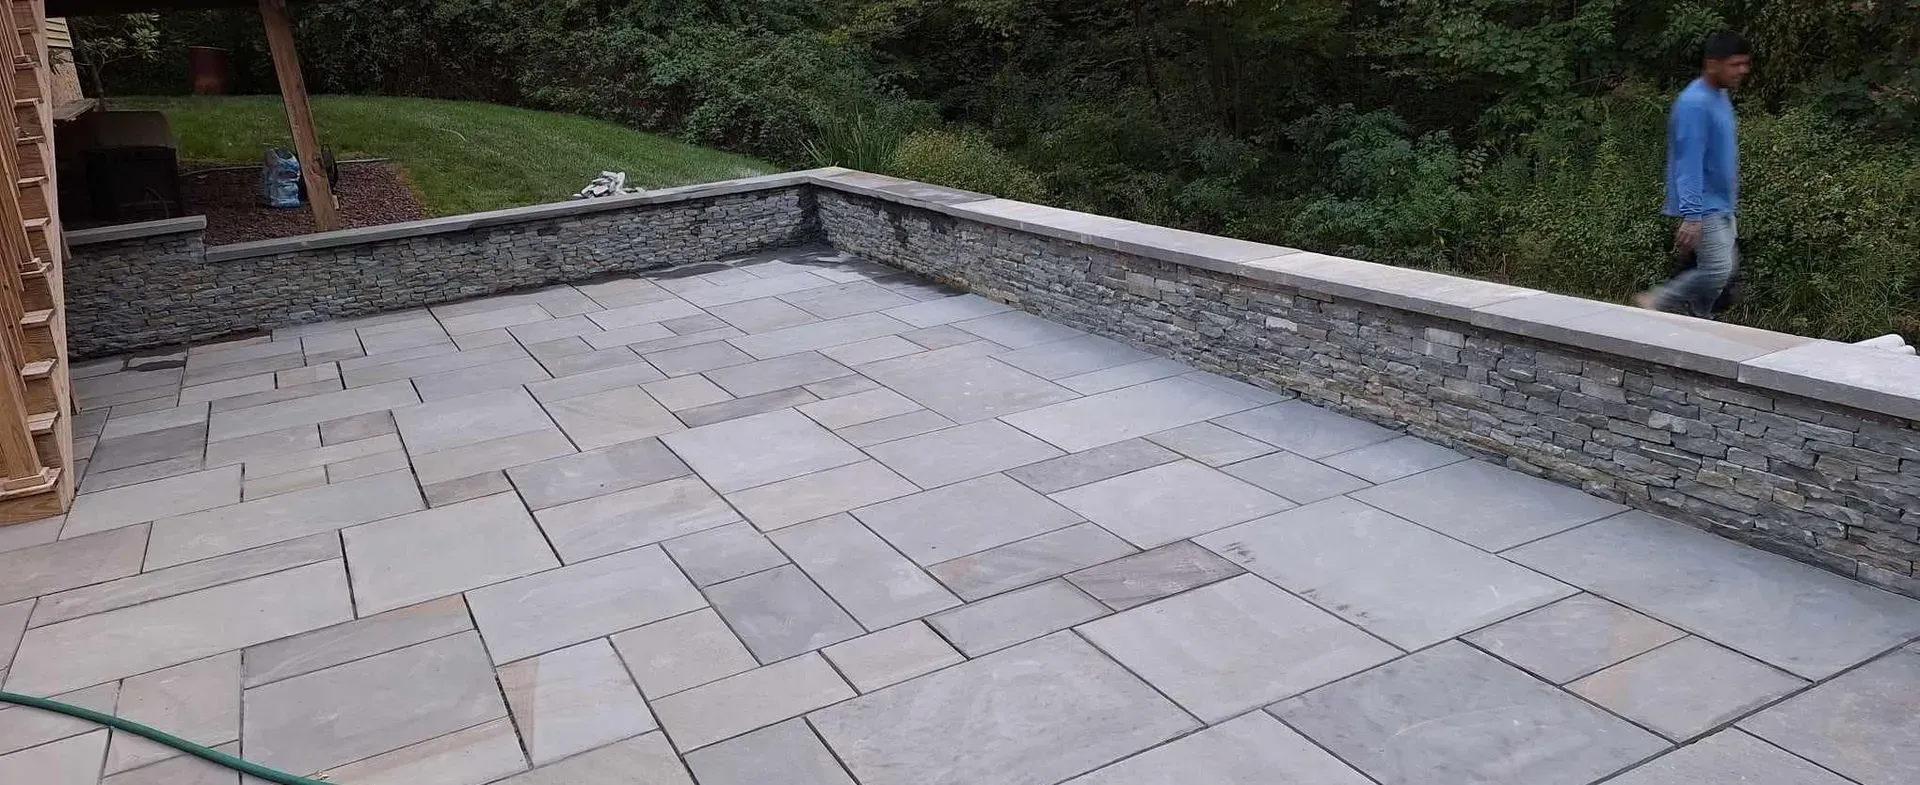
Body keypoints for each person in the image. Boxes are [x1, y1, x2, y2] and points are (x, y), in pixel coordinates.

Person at [1636, 32, 1751, 317]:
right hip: (1704, 204)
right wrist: (1692, 215)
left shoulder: (1719, 96)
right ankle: (1658, 301)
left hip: (1722, 203)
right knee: (1716, 270)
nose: (1743, 71)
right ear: (1713, 64)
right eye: (1735, 64)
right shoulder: (1694, 104)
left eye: (1745, 64)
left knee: (1725, 273)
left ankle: (1699, 322)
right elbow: (1688, 164)